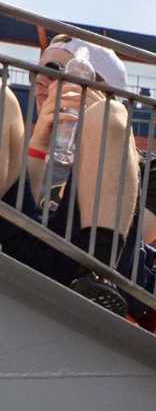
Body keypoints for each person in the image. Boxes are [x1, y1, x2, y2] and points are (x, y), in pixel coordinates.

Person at [0, 47, 139, 287]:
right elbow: (23, 211)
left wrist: (102, 124)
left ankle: (98, 277)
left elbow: (144, 234)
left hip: (77, 262)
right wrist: (40, 142)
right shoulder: (20, 137)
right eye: (37, 71)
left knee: (112, 115)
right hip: (17, 242)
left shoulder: (154, 164)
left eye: (55, 72)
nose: (41, 79)